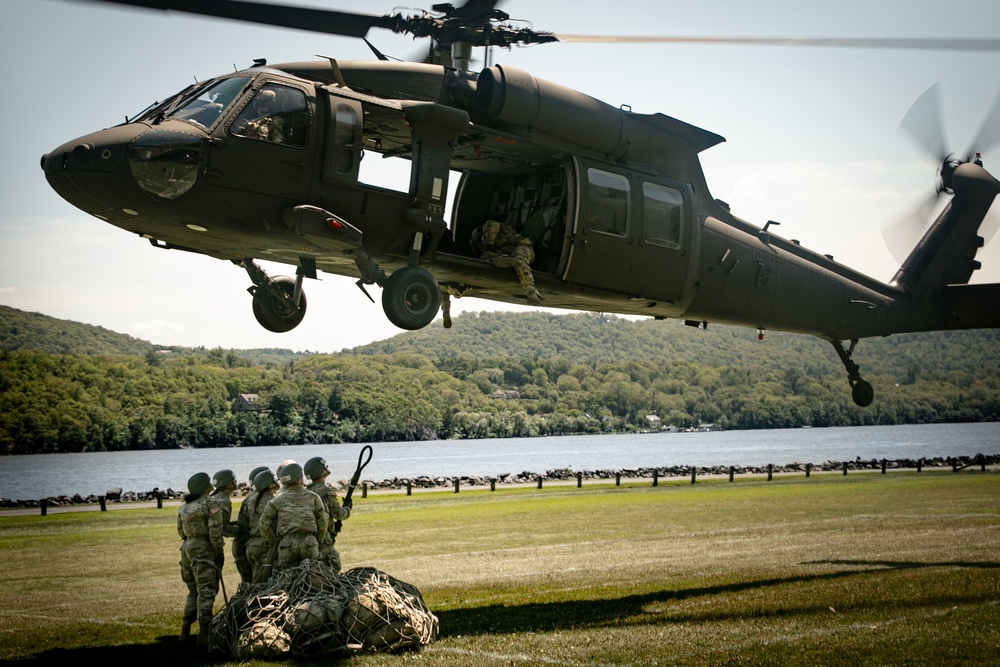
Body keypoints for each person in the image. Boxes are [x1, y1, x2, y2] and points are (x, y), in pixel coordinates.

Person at [177, 471, 224, 650]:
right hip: (203, 548)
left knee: (193, 591)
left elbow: (180, 531)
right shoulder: (210, 503)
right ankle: (204, 632)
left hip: (187, 548)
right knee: (207, 589)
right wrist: (217, 548)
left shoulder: (184, 507)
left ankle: (185, 630)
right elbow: (215, 528)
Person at [257, 462, 329, 574]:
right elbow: (323, 521)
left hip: (287, 545)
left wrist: (273, 542)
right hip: (309, 542)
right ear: (299, 479)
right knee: (312, 577)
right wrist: (317, 539)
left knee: (287, 579)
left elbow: (263, 524)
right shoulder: (313, 497)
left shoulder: (276, 501)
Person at [475, 219, 541, 305]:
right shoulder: (495, 249)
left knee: (519, 259)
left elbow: (494, 226)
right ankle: (508, 261)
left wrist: (488, 244)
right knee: (486, 257)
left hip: (522, 246)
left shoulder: (492, 226)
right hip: (507, 254)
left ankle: (530, 290)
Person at [304, 456, 351, 572]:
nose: (326, 467)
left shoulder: (307, 491)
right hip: (324, 539)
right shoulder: (324, 491)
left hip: (310, 537)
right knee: (333, 567)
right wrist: (348, 508)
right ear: (319, 471)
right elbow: (340, 514)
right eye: (324, 466)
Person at [233, 466, 270, 584]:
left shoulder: (250, 498)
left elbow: (243, 523)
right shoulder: (264, 499)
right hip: (256, 544)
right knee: (259, 582)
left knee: (251, 582)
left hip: (248, 545)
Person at [244, 469, 279, 583]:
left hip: (252, 544)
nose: (276, 481)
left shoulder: (251, 500)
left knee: (257, 580)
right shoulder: (272, 501)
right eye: (273, 479)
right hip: (264, 545)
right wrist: (273, 543)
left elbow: (245, 522)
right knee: (266, 582)